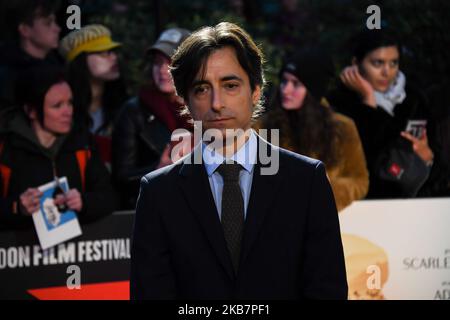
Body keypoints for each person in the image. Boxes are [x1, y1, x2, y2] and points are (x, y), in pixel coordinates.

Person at [130, 22, 347, 300]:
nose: (217, 103)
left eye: (230, 85)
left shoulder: (306, 180)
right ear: (185, 99)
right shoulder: (158, 193)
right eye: (201, 89)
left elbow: (327, 288)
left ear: (256, 90)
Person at [0, 66, 117, 230]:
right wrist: (16, 207)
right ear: (31, 111)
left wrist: (83, 202)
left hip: (76, 252)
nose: (67, 111)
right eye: (57, 106)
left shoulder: (82, 142)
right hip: (18, 251)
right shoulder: (6, 148)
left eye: (70, 103)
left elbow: (108, 197)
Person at [255, 48, 368, 212]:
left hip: (328, 225)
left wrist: (324, 191)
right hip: (280, 226)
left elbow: (359, 180)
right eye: (285, 81)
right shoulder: (263, 128)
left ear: (313, 90)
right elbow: (258, 185)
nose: (285, 90)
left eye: (296, 84)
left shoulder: (343, 128)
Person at [327, 29, 434, 198]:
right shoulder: (337, 102)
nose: (387, 72)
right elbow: (360, 159)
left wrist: (428, 158)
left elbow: (434, 164)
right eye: (377, 63)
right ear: (356, 63)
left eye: (393, 63)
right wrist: (368, 102)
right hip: (360, 206)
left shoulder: (414, 100)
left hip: (411, 206)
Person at [112, 28, 192, 209]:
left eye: (171, 63)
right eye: (157, 63)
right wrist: (158, 169)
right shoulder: (133, 112)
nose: (163, 70)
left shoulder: (207, 110)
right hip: (154, 211)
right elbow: (121, 179)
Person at [59, 24, 128, 167]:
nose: (113, 57)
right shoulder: (62, 109)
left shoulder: (122, 106)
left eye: (113, 51)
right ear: (81, 60)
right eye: (103, 52)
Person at [0, 0, 63, 110]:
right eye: (48, 23)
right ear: (25, 30)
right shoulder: (9, 77)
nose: (57, 29)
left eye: (55, 22)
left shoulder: (58, 65)